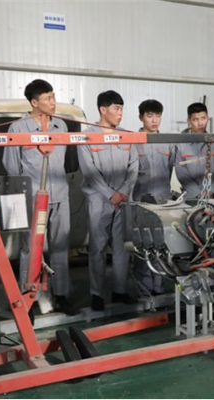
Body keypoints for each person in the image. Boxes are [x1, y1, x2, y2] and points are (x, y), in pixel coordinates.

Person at [2, 79, 77, 316]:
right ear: (34, 102)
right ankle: (29, 298)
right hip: (33, 198)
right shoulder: (18, 129)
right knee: (31, 249)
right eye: (47, 98)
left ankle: (62, 295)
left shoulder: (60, 126)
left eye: (53, 97)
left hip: (60, 195)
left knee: (60, 246)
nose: (53, 102)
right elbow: (11, 166)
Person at [77, 90, 139, 311]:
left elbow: (133, 167)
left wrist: (122, 192)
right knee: (98, 248)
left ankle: (119, 291)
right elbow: (89, 170)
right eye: (116, 108)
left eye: (122, 109)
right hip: (99, 200)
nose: (120, 113)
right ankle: (96, 294)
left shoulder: (127, 135)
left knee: (122, 248)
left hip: (123, 200)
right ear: (103, 110)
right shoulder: (86, 136)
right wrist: (109, 194)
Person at [132, 99, 174, 295]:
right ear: (141, 117)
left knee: (162, 244)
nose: (154, 120)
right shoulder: (134, 141)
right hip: (141, 201)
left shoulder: (167, 141)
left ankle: (159, 285)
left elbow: (170, 168)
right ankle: (144, 287)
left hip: (163, 201)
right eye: (150, 116)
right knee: (143, 244)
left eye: (158, 116)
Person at [174, 103, 214, 199]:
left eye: (203, 118)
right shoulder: (181, 145)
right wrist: (197, 194)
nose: (200, 123)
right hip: (191, 198)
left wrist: (212, 191)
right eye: (195, 119)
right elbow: (182, 173)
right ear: (188, 121)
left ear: (207, 118)